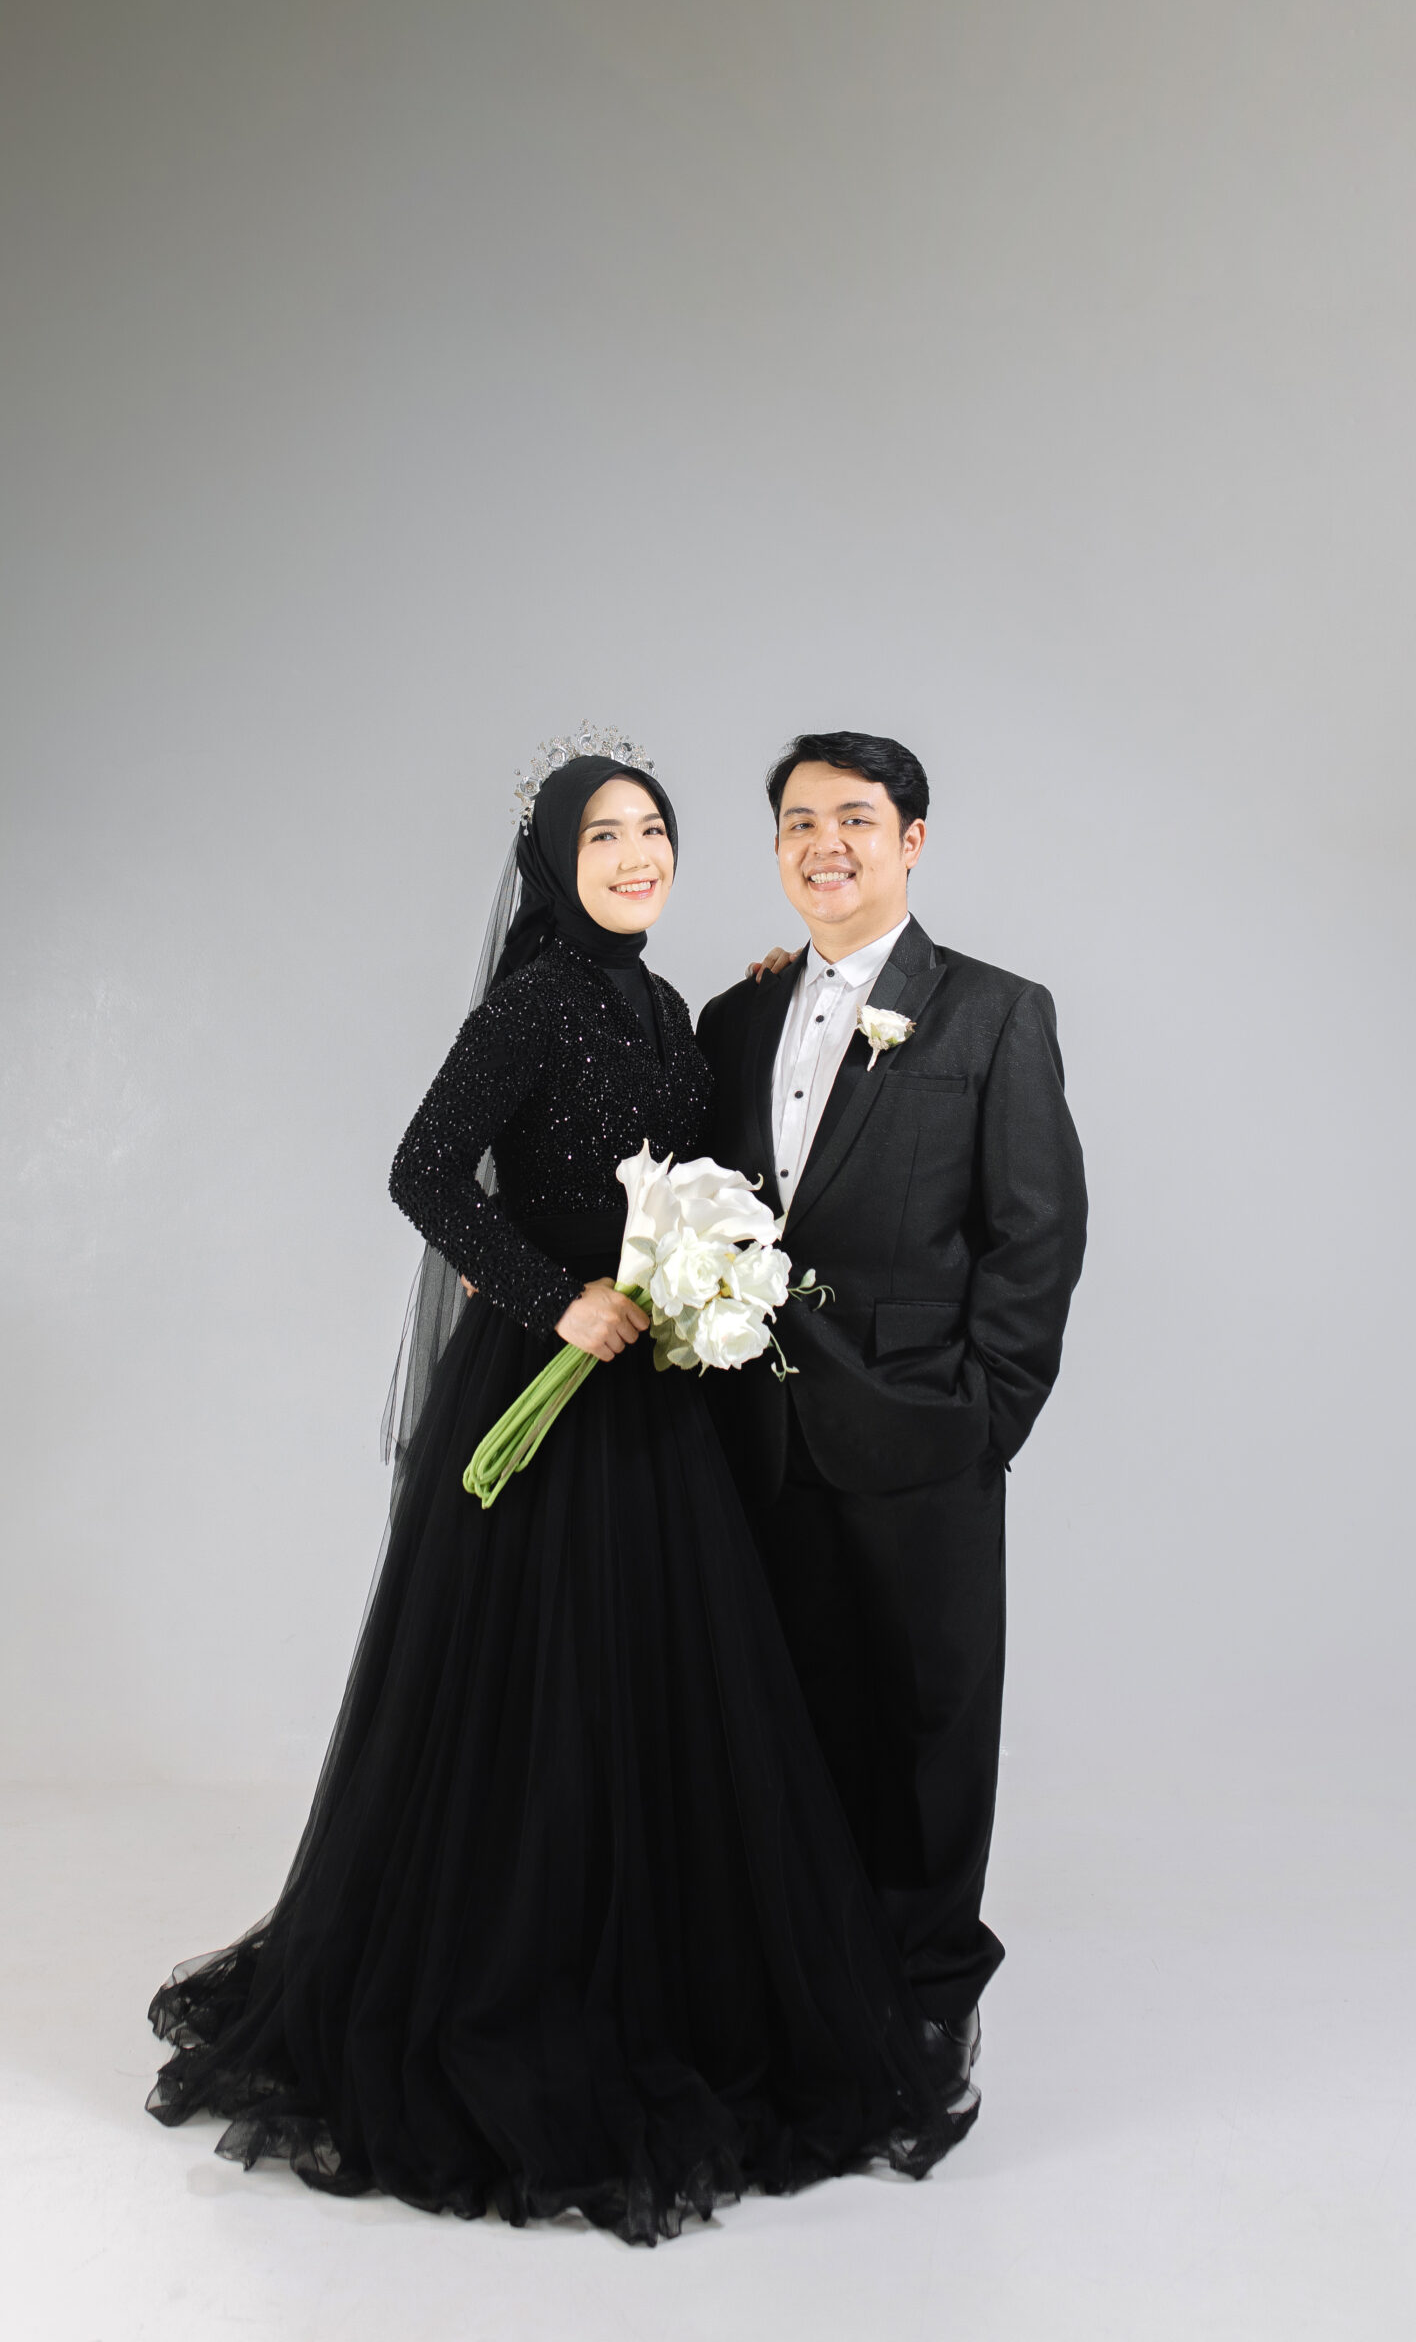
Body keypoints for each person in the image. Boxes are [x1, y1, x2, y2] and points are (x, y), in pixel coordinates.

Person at [146, 735, 968, 2246]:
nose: (637, 856)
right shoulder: (532, 1000)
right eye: (604, 837)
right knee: (541, 1703)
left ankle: (656, 1989)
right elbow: (423, 1168)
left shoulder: (663, 1004)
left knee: (660, 1695)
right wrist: (552, 1297)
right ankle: (518, 1995)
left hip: (652, 1397)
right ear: (551, 863)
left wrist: (758, 1010)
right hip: (556, 1380)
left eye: (653, 831)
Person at [695, 731, 1088, 2112]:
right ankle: (798, 2002)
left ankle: (925, 2014)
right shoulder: (734, 1018)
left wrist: (982, 1419)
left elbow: (1036, 1235)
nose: (826, 846)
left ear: (910, 841)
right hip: (752, 1441)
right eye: (799, 823)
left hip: (922, 1437)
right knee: (779, 1729)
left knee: (927, 1736)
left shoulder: (993, 1012)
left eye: (854, 820)